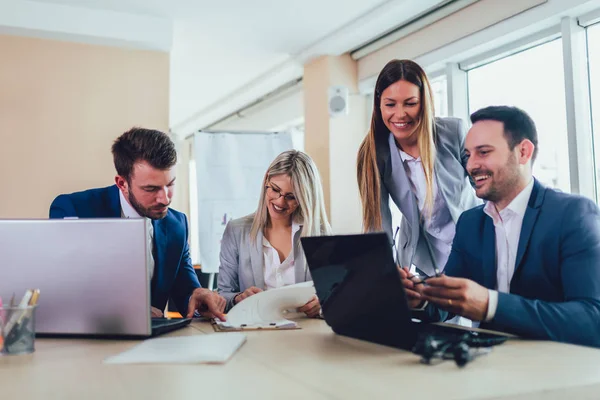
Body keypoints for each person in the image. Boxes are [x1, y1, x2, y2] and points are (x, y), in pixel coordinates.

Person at [400, 106, 600, 347]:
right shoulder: (470, 223)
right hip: (486, 367)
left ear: (523, 152)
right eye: (468, 155)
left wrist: (489, 304)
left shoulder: (573, 214)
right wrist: (419, 297)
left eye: (483, 152)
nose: (471, 166)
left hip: (554, 368)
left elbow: (591, 319)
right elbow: (447, 302)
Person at [49, 127, 226, 320]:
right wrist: (125, 310)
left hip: (154, 344)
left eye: (170, 184)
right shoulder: (75, 209)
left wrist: (197, 295)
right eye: (151, 189)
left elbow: (185, 290)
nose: (165, 198)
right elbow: (63, 288)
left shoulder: (177, 224)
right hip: (88, 342)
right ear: (122, 183)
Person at [357, 59, 480, 280]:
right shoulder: (375, 153)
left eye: (410, 103)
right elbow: (378, 221)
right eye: (390, 104)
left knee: (483, 310)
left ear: (425, 102)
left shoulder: (454, 132)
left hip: (475, 245)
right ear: (379, 105)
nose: (400, 114)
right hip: (428, 257)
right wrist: (384, 266)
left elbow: (486, 188)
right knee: (436, 314)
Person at [218, 150, 332, 316]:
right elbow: (223, 295)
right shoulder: (236, 231)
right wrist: (238, 298)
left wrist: (321, 304)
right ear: (266, 181)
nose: (280, 201)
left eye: (291, 197)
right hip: (256, 332)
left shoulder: (321, 235)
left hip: (305, 334)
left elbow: (335, 296)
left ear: (305, 199)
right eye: (275, 190)